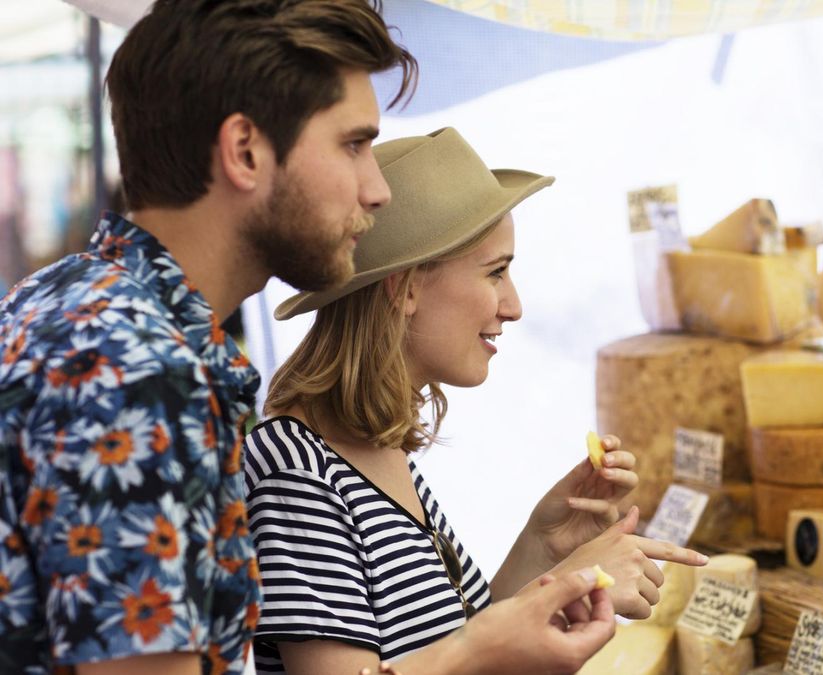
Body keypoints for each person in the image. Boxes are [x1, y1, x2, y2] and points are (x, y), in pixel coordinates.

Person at [0, 2, 617, 674]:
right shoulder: (142, 371)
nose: (377, 190)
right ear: (245, 151)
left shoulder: (81, 309)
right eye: (352, 144)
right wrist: (477, 650)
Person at [244, 128, 708, 674]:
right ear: (406, 288)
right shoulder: (295, 468)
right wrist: (572, 579)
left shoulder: (380, 451)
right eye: (496, 272)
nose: (513, 306)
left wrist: (543, 545)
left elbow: (453, 645)